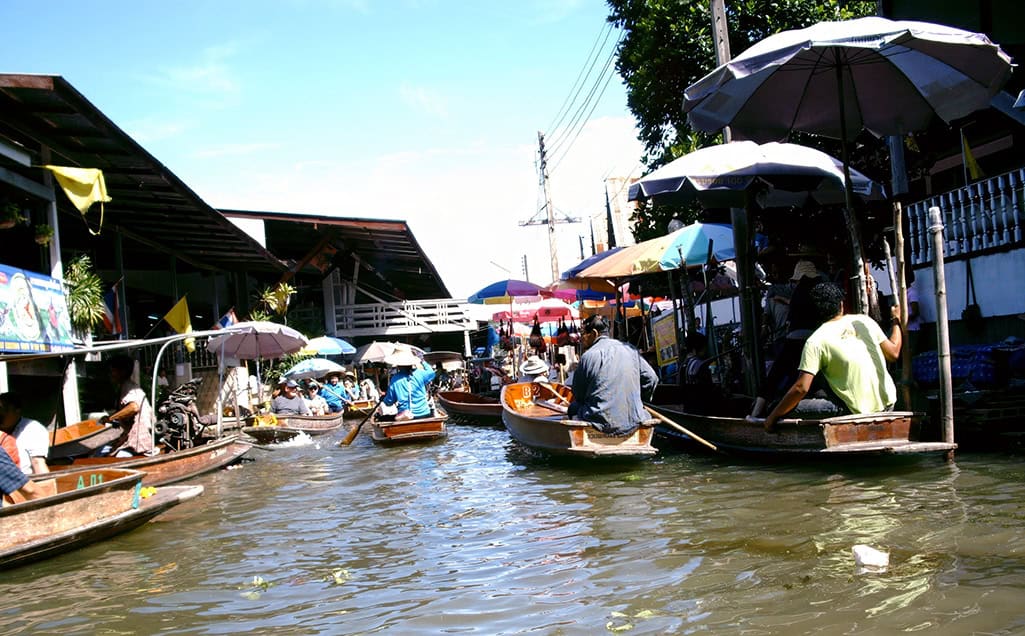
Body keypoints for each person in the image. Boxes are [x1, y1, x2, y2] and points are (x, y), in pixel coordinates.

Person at [763, 281, 902, 432]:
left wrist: (772, 416)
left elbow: (801, 388)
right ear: (841, 305)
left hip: (855, 412)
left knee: (777, 405)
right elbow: (894, 353)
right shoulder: (863, 321)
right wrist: (896, 320)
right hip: (888, 405)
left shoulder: (816, 340)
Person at [751, 259, 827, 417]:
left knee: (774, 376)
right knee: (816, 378)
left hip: (795, 339)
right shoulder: (820, 292)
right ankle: (823, 407)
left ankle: (755, 414)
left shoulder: (798, 292)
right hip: (814, 339)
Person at [568, 314, 659, 436]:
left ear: (594, 333)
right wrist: (638, 400)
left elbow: (578, 394)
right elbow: (651, 379)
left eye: (583, 333)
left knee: (573, 407)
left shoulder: (588, 356)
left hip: (598, 420)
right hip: (632, 419)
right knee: (643, 412)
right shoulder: (630, 349)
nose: (581, 338)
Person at [103, 355, 156, 457]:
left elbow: (133, 407)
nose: (110, 374)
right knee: (106, 449)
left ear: (122, 372)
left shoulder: (129, 387)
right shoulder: (125, 387)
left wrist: (111, 418)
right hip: (132, 435)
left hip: (139, 438)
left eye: (112, 371)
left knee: (116, 455)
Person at [380, 346, 436, 420]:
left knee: (383, 418)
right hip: (424, 414)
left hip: (405, 417)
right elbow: (432, 373)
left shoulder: (395, 379)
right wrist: (422, 361)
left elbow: (389, 402)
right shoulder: (420, 374)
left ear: (398, 364)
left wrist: (384, 399)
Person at [0, 392, 49, 474]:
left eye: (5, 410)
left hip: (25, 482)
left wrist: (45, 485)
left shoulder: (33, 429)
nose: (1, 414)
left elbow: (38, 462)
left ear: (17, 410)